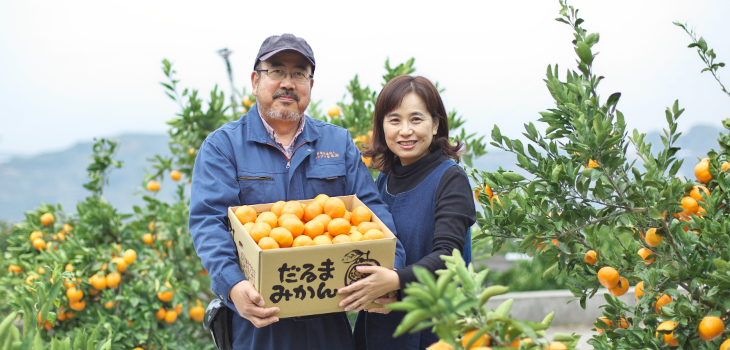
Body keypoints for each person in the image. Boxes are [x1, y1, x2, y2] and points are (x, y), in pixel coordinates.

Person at [188, 33, 406, 350]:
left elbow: (372, 213)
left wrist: (392, 269)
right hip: (260, 325)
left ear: (310, 85)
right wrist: (232, 285)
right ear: (255, 80)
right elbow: (209, 222)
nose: (288, 83)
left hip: (329, 321)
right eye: (277, 71)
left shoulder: (337, 142)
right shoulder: (224, 146)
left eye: (299, 74)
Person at [337, 75, 477, 350]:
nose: (405, 131)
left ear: (435, 124)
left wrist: (396, 280)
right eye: (394, 120)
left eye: (416, 119)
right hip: (381, 330)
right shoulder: (383, 179)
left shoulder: (450, 179)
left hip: (434, 329)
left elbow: (449, 256)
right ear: (382, 127)